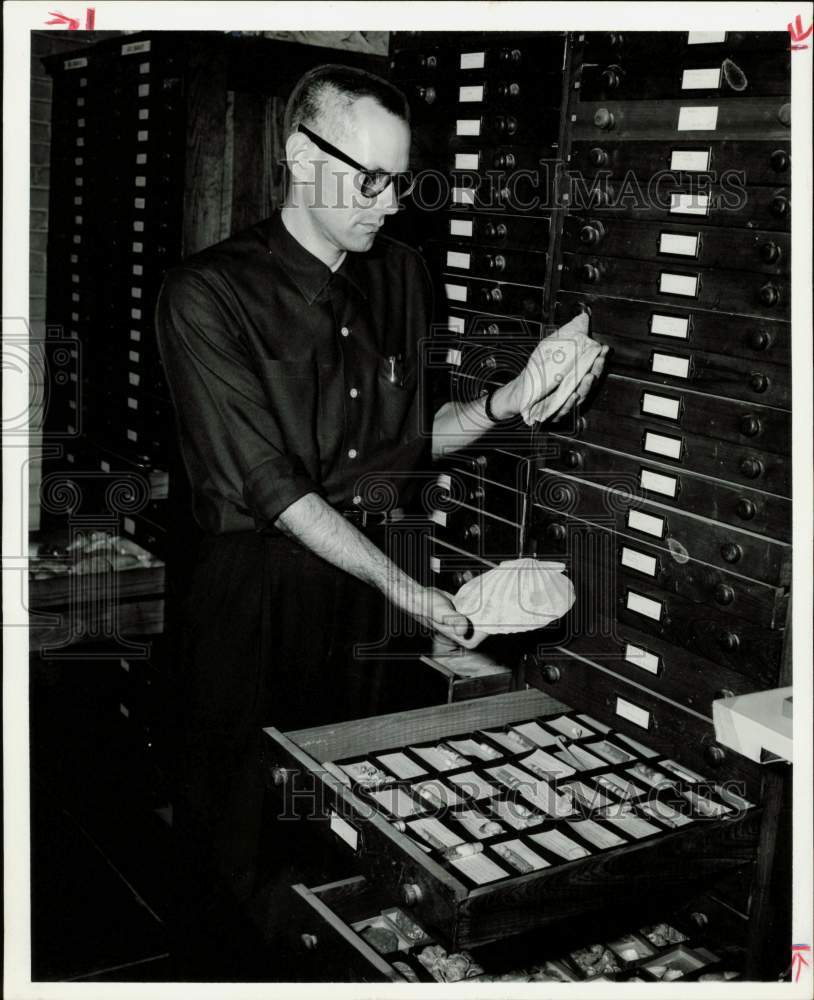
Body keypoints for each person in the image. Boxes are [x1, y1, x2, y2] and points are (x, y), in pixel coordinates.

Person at [155, 62, 607, 965]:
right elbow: (274, 491)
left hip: (370, 609)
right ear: (296, 155)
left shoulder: (402, 276)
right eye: (369, 179)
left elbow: (410, 441)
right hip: (254, 611)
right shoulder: (204, 295)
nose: (390, 203)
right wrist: (418, 594)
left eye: (400, 179)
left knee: (367, 843)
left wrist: (503, 403)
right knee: (244, 856)